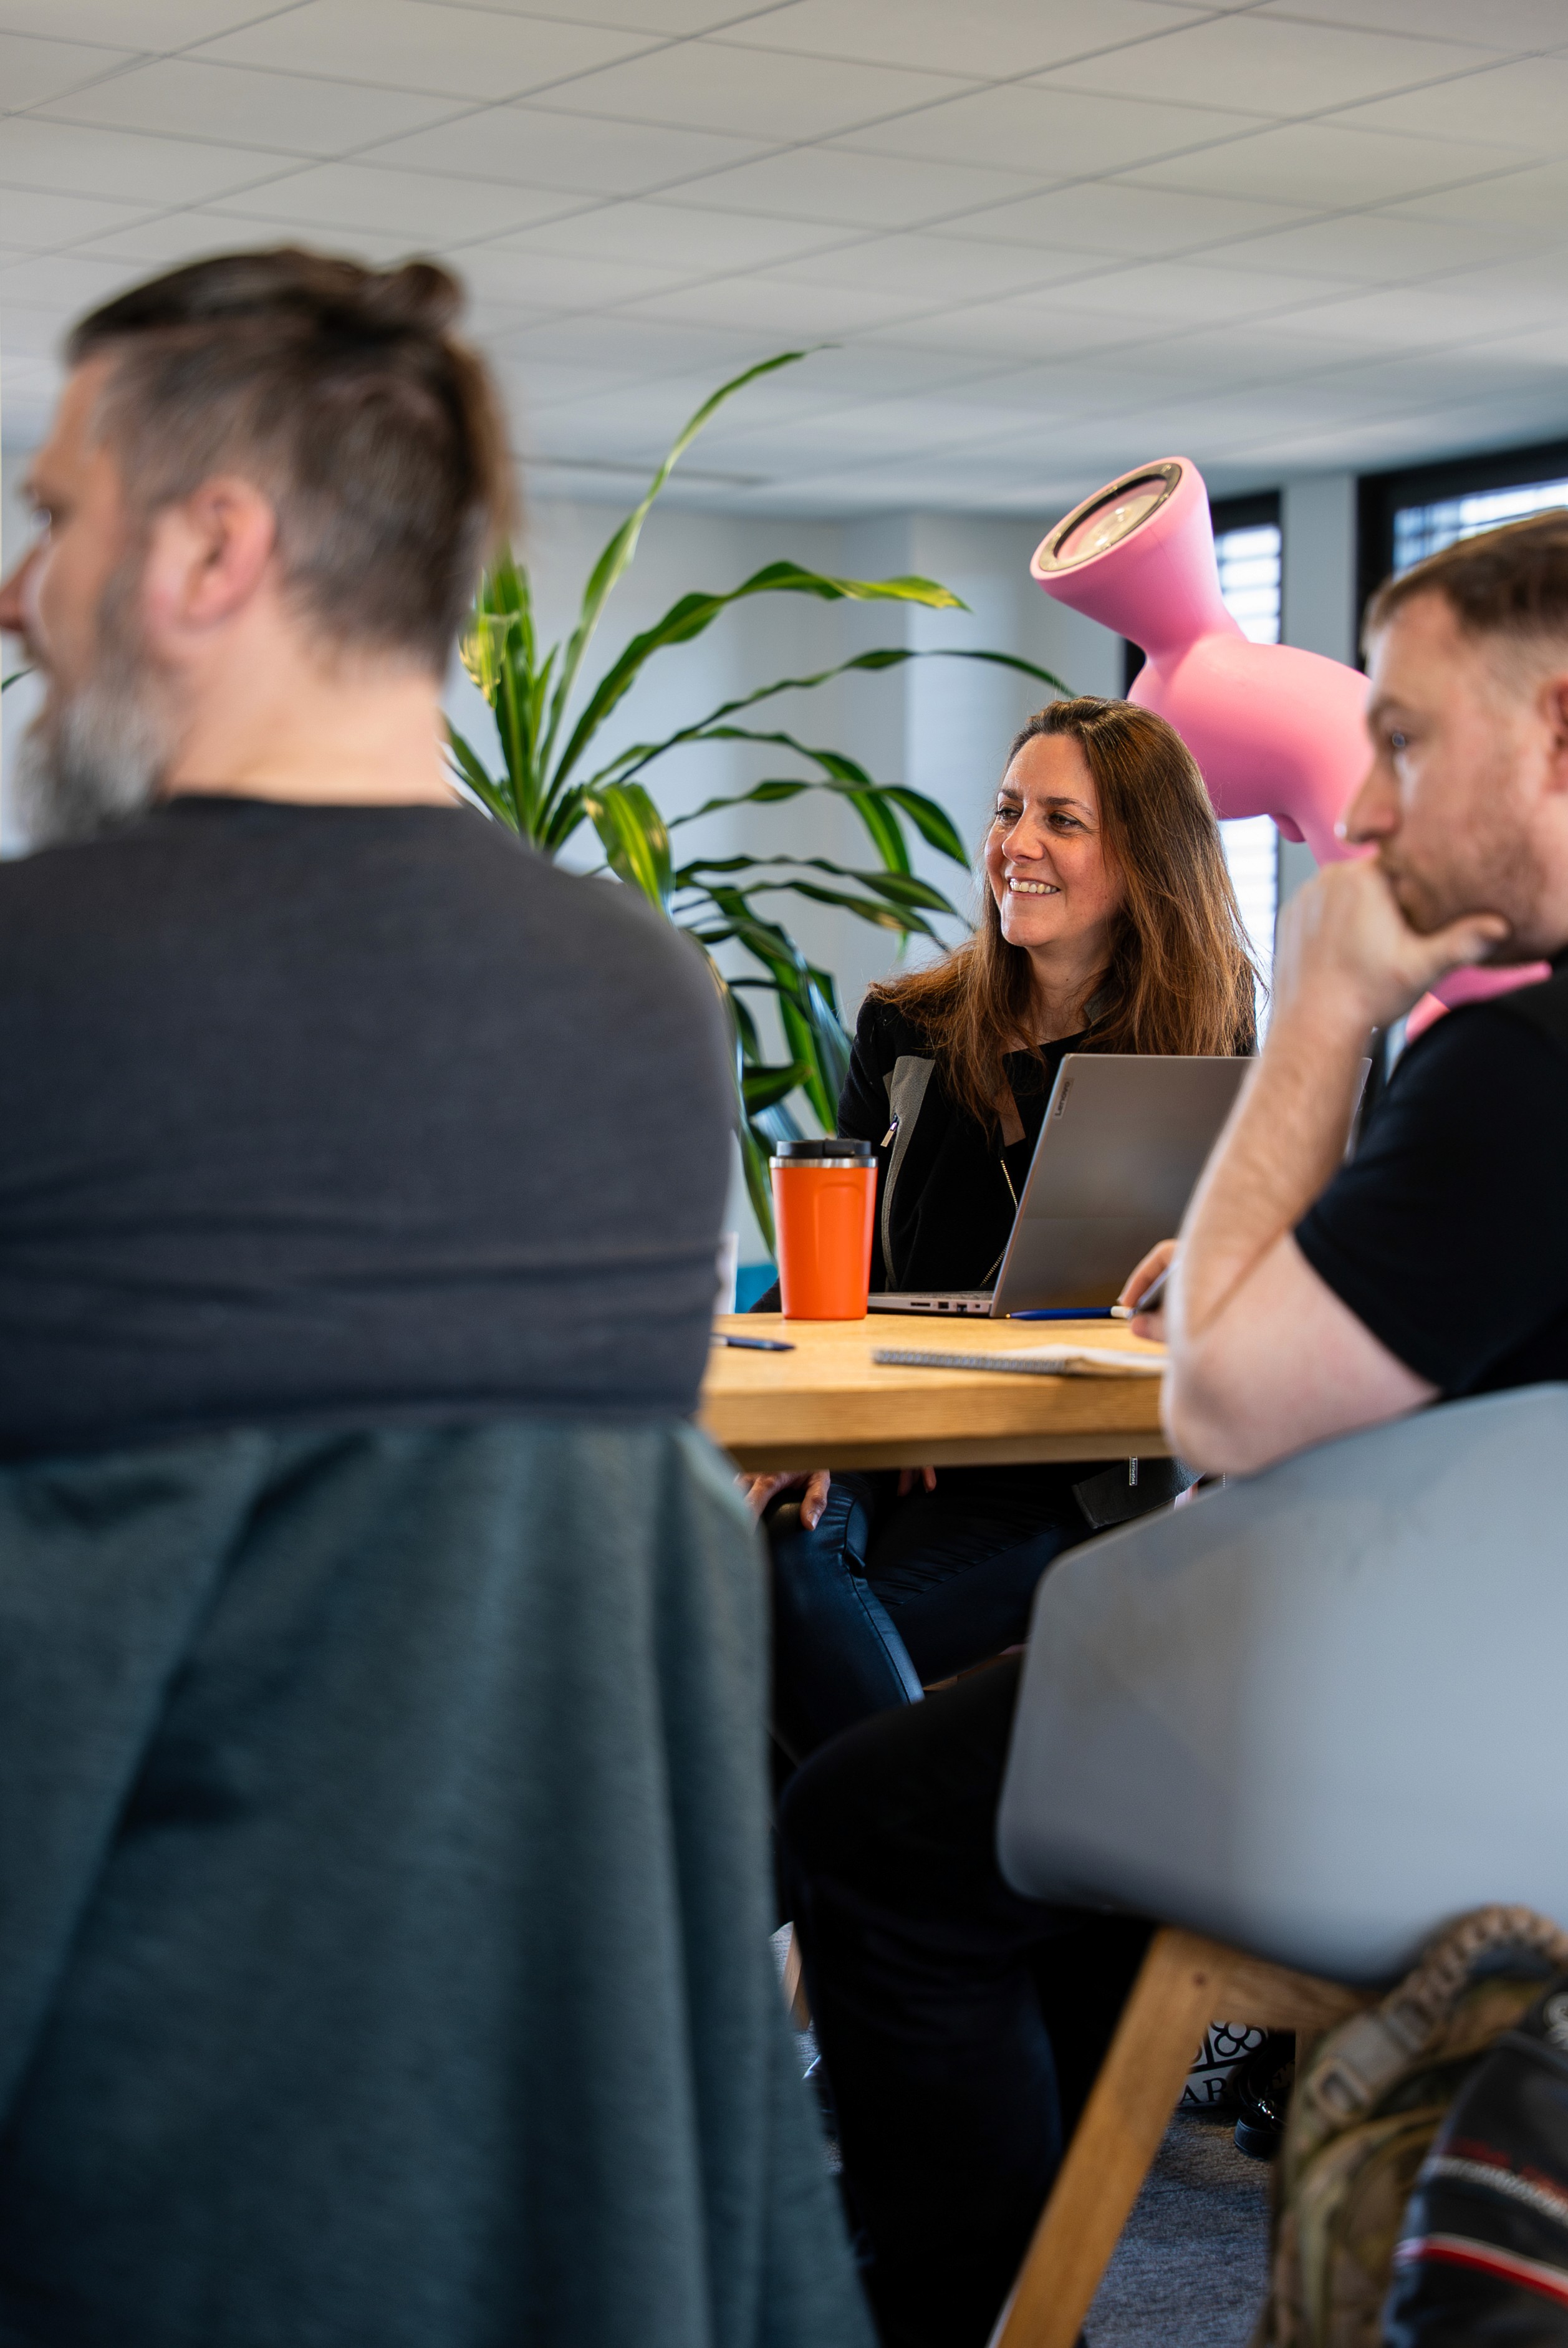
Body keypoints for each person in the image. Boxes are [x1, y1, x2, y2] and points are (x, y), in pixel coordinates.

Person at [0, 248, 871, 2348]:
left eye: (56, 518)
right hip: (551, 2166)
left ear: (211, 546)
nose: (22, 595)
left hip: (121, 2158)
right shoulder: (642, 1003)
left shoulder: (36, 991)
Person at [779, 509, 1568, 2348]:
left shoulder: (1517, 1066)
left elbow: (1225, 1397)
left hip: (1388, 1742)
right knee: (953, 1730)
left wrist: (1333, 1001)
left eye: (1403, 740)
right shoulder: (1511, 1063)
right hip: (1488, 1713)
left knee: (868, 1821)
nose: (1358, 807)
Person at [748, 696, 1257, 1761]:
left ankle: (868, 1842)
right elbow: (830, 1269)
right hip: (889, 1440)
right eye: (1008, 809)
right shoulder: (906, 1028)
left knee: (763, 1657)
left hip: (1065, 1476)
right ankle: (920, 1847)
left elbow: (1233, 1286)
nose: (1016, 844)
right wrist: (796, 1427)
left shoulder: (1207, 1046)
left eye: (1062, 820)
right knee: (777, 1557)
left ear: (1147, 859)